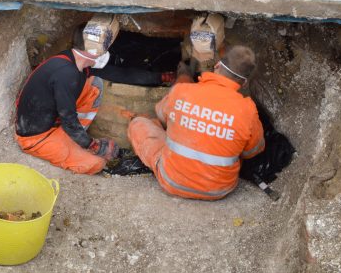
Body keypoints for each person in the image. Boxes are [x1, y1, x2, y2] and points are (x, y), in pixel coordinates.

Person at [126, 45, 265, 200]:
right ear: (244, 83)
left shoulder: (182, 91)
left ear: (217, 66)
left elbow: (161, 115)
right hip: (219, 189)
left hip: (172, 181)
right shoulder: (248, 110)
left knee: (138, 124)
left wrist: (183, 84)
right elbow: (253, 151)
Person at [15, 27, 119, 175]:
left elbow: (117, 73)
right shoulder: (66, 74)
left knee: (94, 84)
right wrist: (93, 146)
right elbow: (68, 120)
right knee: (97, 163)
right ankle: (76, 139)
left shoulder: (71, 59)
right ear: (91, 51)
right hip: (38, 137)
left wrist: (158, 78)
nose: (105, 52)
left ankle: (78, 134)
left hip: (53, 120)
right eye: (103, 48)